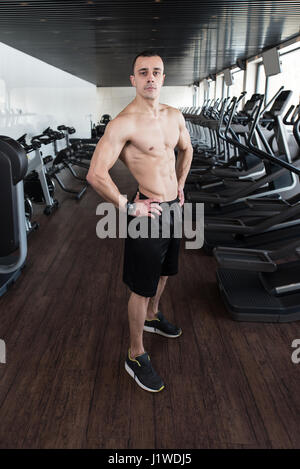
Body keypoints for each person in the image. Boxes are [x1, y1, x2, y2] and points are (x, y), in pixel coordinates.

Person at [87, 50, 193, 392]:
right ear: (133, 79)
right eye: (143, 72)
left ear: (163, 78)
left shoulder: (174, 116)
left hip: (173, 208)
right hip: (146, 213)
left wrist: (180, 184)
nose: (150, 77)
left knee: (165, 272)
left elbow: (187, 149)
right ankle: (135, 353)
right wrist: (127, 207)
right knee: (140, 287)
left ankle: (153, 316)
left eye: (156, 72)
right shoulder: (123, 123)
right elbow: (95, 174)